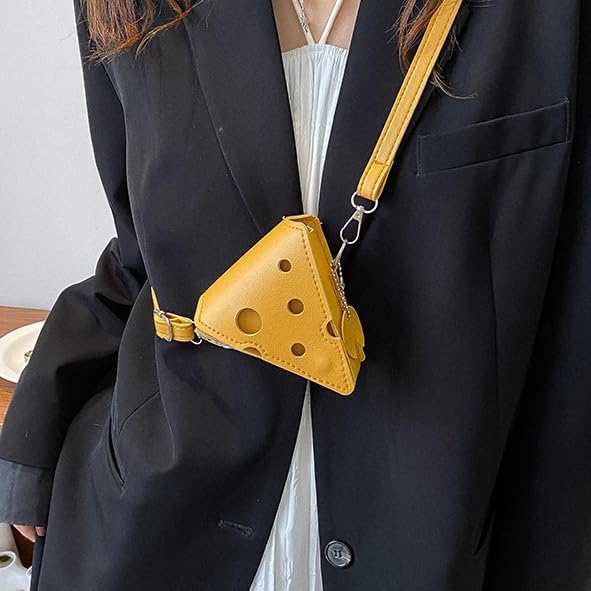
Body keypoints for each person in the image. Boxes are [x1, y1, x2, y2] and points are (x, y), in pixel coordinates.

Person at [1, 0, 590, 589]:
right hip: (158, 522)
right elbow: (142, 254)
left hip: (426, 530)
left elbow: (566, 302)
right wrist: (33, 433)